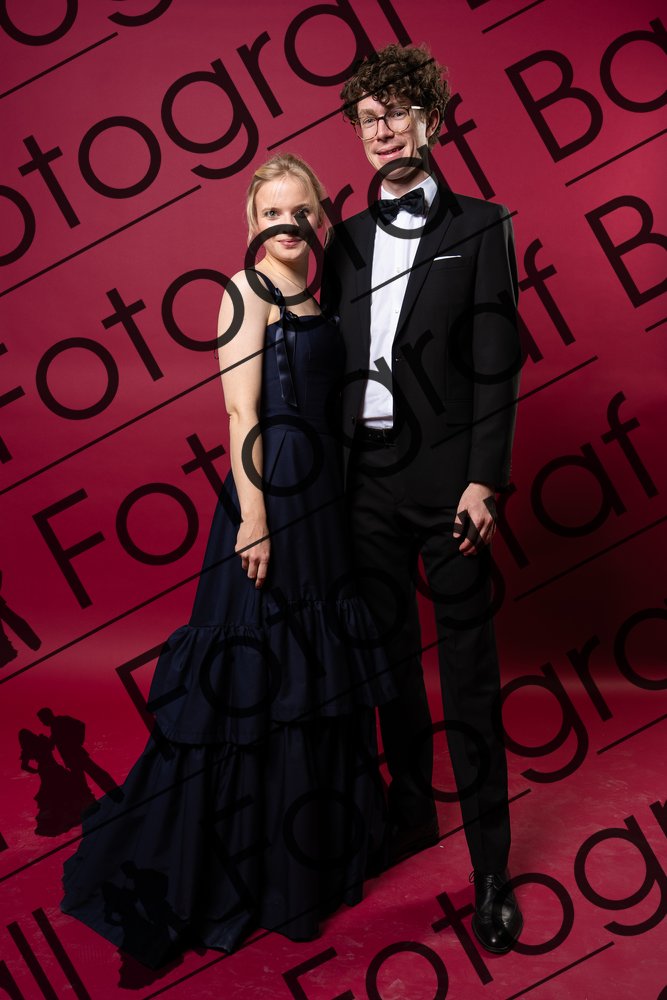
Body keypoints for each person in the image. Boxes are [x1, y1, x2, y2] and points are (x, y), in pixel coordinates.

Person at [61, 153, 397, 969]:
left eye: (300, 210)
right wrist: (252, 519)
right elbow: (239, 411)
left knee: (313, 673)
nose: (287, 224)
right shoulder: (244, 290)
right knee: (256, 673)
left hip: (322, 502)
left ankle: (306, 858)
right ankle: (232, 870)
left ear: (319, 216)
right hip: (269, 493)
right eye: (271, 212)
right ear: (252, 223)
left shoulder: (318, 294)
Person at [321, 43, 523, 953]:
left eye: (397, 113)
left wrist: (485, 479)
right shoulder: (345, 239)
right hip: (362, 485)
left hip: (450, 488)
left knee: (468, 677)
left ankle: (491, 869)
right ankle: (409, 816)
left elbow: (496, 363)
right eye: (368, 118)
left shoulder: (482, 226)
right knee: (388, 668)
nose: (382, 131)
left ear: (431, 121)